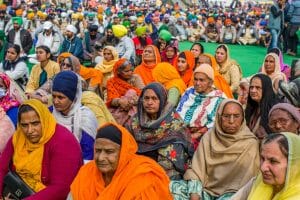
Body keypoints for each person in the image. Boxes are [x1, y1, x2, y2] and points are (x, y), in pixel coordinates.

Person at [0, 99, 83, 199]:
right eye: (24, 125)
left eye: (35, 123)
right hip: (18, 190)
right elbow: (2, 168)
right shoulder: (19, 137)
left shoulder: (64, 142)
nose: (30, 130)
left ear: (44, 120)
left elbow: (60, 189)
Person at [68, 123, 173, 200]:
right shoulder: (86, 172)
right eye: (98, 151)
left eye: (109, 152)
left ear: (123, 152)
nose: (101, 158)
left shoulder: (143, 177)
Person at [183, 99, 259, 200]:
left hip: (233, 195)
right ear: (219, 117)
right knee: (173, 188)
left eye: (236, 116)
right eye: (226, 116)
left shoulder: (250, 143)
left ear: (243, 118)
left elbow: (247, 182)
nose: (231, 121)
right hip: (205, 191)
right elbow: (196, 171)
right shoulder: (209, 137)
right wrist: (195, 195)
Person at [126, 83, 194, 184]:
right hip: (138, 166)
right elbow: (126, 148)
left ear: (162, 100)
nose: (149, 102)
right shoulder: (135, 121)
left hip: (164, 171)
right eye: (146, 98)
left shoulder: (173, 123)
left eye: (154, 99)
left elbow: (172, 159)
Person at [231, 133, 300, 200]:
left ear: (295, 165)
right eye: (262, 158)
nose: (263, 168)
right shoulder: (258, 181)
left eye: (273, 161)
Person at [51, 71, 98, 161]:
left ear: (73, 98)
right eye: (54, 96)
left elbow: (88, 154)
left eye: (61, 97)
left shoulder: (85, 118)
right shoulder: (50, 113)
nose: (55, 101)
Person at [177, 64, 226, 146]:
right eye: (195, 79)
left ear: (210, 82)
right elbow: (178, 112)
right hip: (181, 130)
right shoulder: (189, 92)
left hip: (204, 136)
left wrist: (197, 134)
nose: (197, 83)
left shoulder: (219, 98)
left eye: (201, 80)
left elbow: (214, 124)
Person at [106, 58, 144, 125]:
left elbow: (142, 94)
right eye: (126, 71)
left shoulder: (135, 78)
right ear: (118, 72)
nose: (130, 73)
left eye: (131, 70)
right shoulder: (111, 82)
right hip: (117, 108)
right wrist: (120, 101)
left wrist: (130, 101)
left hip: (135, 105)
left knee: (131, 92)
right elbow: (111, 99)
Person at [245, 74, 281, 140]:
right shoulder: (253, 107)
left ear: (266, 89)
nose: (253, 91)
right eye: (251, 87)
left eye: (257, 87)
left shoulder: (275, 109)